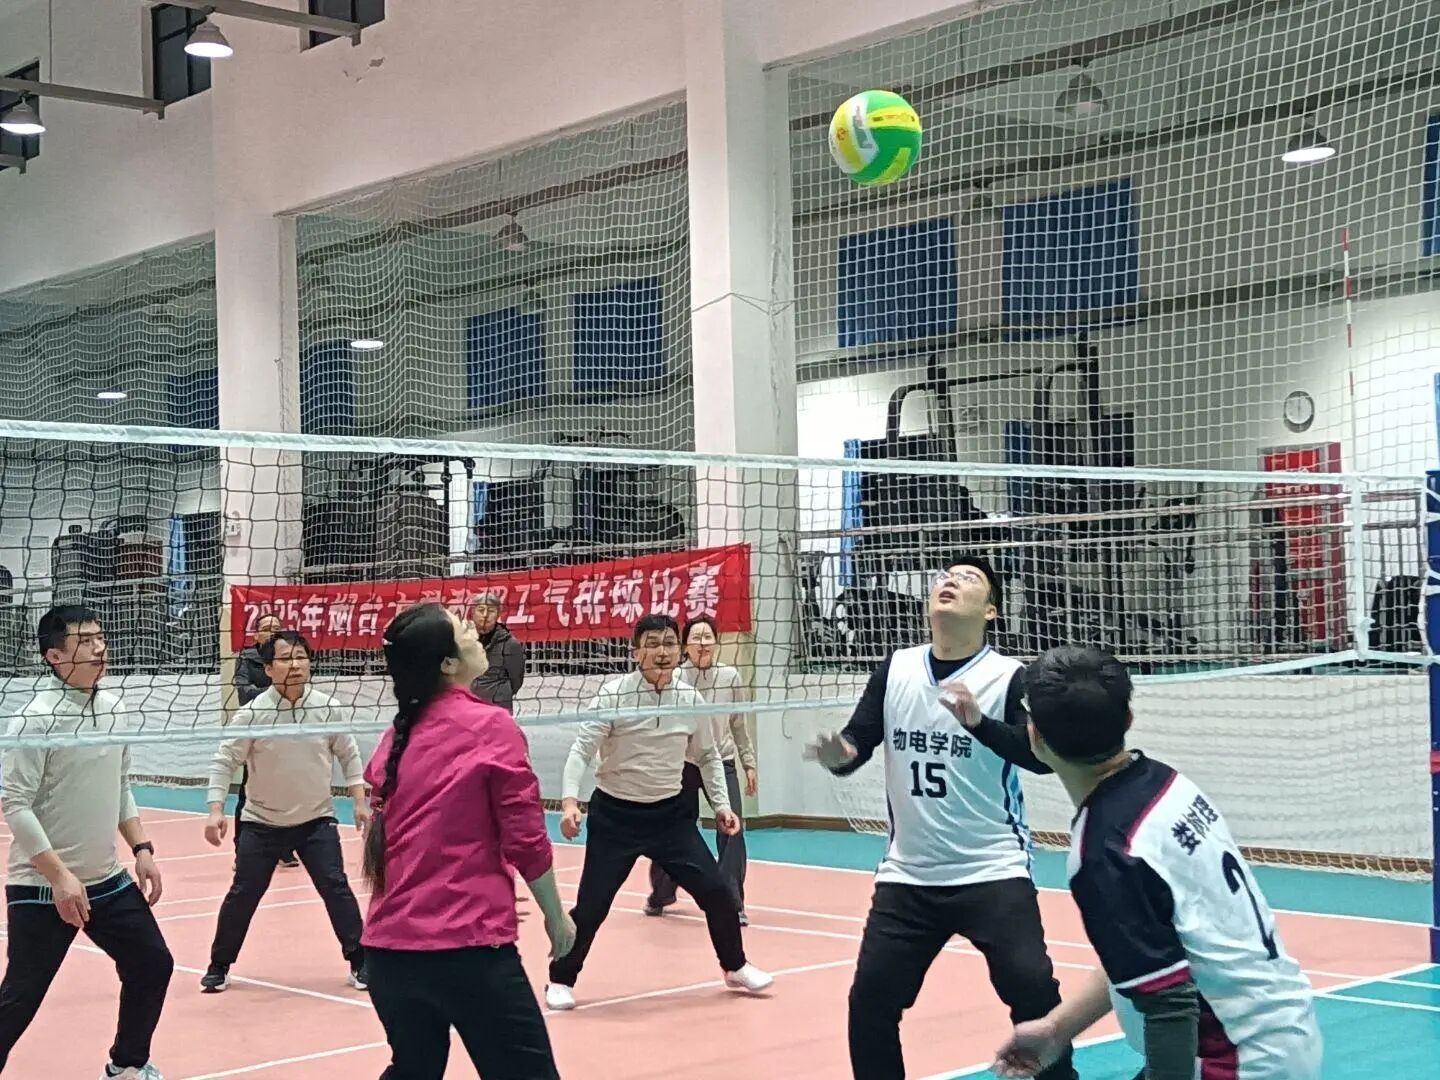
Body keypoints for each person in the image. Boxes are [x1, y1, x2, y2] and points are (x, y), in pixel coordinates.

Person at [992, 645, 1322, 1080]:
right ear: (1128, 719)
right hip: (1283, 1029)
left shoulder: (1107, 853)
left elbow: (1170, 1008)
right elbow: (1155, 950)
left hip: (1236, 1062)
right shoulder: (1167, 784)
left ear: (1034, 736)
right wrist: (1057, 1028)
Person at [805, 556, 1076, 1080]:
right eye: (945, 576)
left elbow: (1041, 758)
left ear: (991, 610)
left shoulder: (1009, 677)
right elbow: (857, 742)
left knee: (1033, 990)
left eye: (968, 578)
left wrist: (979, 723)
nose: (950, 580)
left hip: (992, 868)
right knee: (870, 1002)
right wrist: (838, 755)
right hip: (910, 876)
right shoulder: (897, 668)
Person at [361, 603, 573, 1079]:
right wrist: (557, 918)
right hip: (467, 950)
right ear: (447, 663)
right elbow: (525, 838)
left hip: (388, 955)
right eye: (462, 629)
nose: (474, 630)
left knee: (413, 1070)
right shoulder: (492, 726)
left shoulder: (394, 736)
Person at [547, 613, 773, 1010]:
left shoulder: (690, 700)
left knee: (718, 892)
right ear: (636, 652)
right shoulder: (613, 695)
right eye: (652, 644)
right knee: (593, 905)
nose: (662, 652)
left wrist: (721, 805)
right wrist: (569, 801)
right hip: (615, 816)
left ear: (679, 650)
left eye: (669, 644)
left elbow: (708, 756)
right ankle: (560, 979)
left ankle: (735, 965)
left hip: (670, 817)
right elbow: (581, 750)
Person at [0, 605, 172, 1080]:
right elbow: (15, 805)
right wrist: (59, 877)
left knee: (152, 963)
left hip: (106, 879)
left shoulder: (114, 708)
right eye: (85, 641)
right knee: (21, 996)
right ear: (54, 656)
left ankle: (126, 1065)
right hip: (41, 885)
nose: (99, 649)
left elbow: (120, 785)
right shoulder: (35, 719)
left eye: (100, 638)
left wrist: (141, 848)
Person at [199, 630, 368, 993]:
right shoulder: (252, 714)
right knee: (243, 893)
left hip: (316, 819)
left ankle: (360, 960)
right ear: (268, 668)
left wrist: (359, 800)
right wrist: (216, 810)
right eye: (286, 658)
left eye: (301, 657)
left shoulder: (327, 707)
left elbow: (349, 754)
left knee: (336, 886)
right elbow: (224, 762)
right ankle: (219, 964)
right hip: (262, 822)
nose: (295, 665)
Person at [645, 614, 758, 923]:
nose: (702, 643)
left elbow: (738, 725)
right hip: (683, 763)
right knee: (673, 829)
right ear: (685, 646)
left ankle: (731, 901)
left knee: (732, 830)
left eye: (708, 637)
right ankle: (662, 892)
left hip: (722, 761)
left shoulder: (730, 677)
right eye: (696, 638)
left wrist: (748, 763)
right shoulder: (674, 677)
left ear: (716, 643)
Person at [232, 613, 297, 869]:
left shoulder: (287, 658)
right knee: (249, 792)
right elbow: (243, 693)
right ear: (256, 634)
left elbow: (296, 689)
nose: (272, 632)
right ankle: (241, 850)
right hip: (257, 732)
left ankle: (284, 849)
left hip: (285, 730)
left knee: (287, 790)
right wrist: (274, 692)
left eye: (277, 628)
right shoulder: (246, 658)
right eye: (267, 628)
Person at [468, 593, 526, 711]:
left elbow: (516, 681)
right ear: (472, 612)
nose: (485, 615)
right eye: (481, 610)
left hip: (498, 707)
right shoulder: (463, 641)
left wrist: (500, 693)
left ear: (498, 614)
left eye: (491, 611)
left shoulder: (510, 644)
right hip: (468, 706)